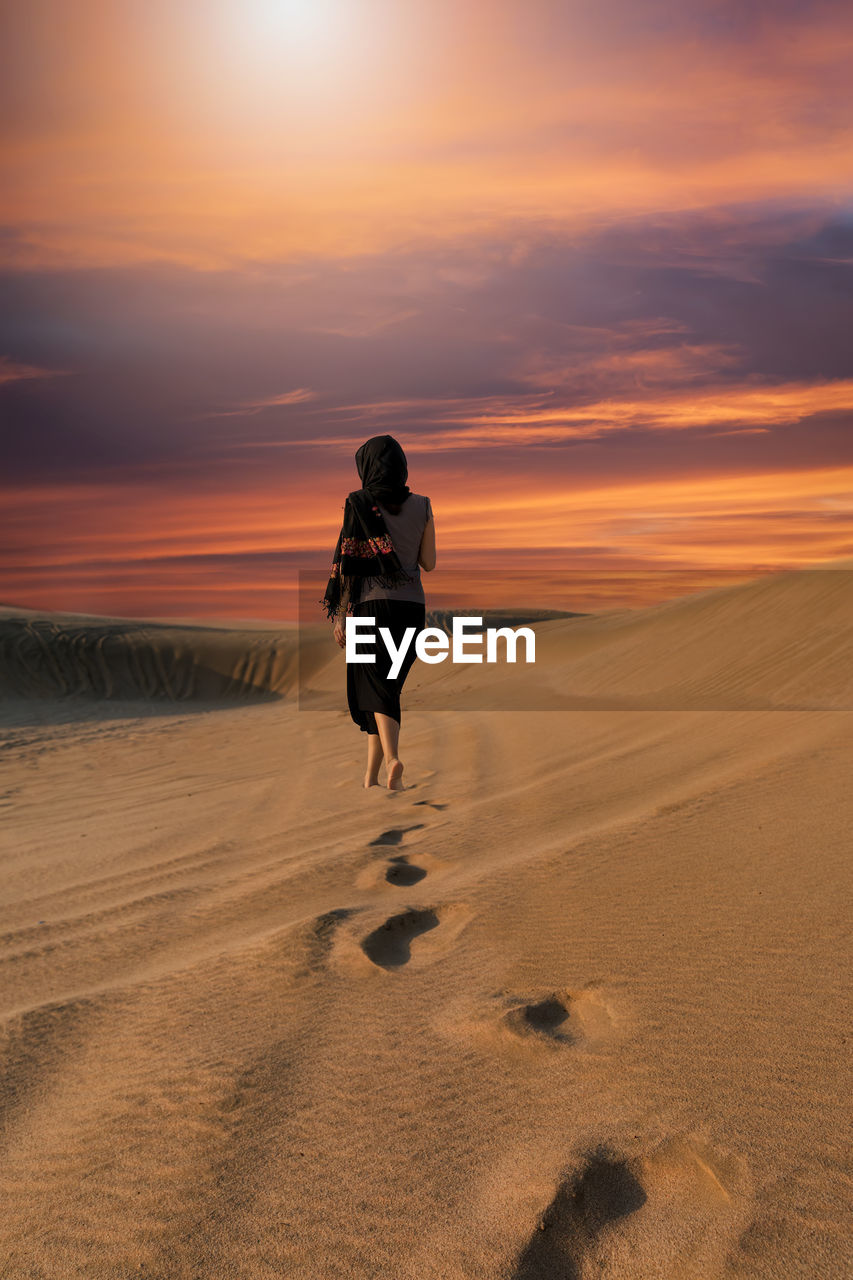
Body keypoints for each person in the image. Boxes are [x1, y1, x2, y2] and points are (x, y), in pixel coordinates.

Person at [323, 435, 436, 790]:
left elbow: (347, 565)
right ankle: (371, 778)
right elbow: (429, 563)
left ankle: (393, 761)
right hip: (412, 610)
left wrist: (341, 615)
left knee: (378, 689)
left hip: (368, 607)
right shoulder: (424, 504)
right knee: (384, 690)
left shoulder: (358, 504)